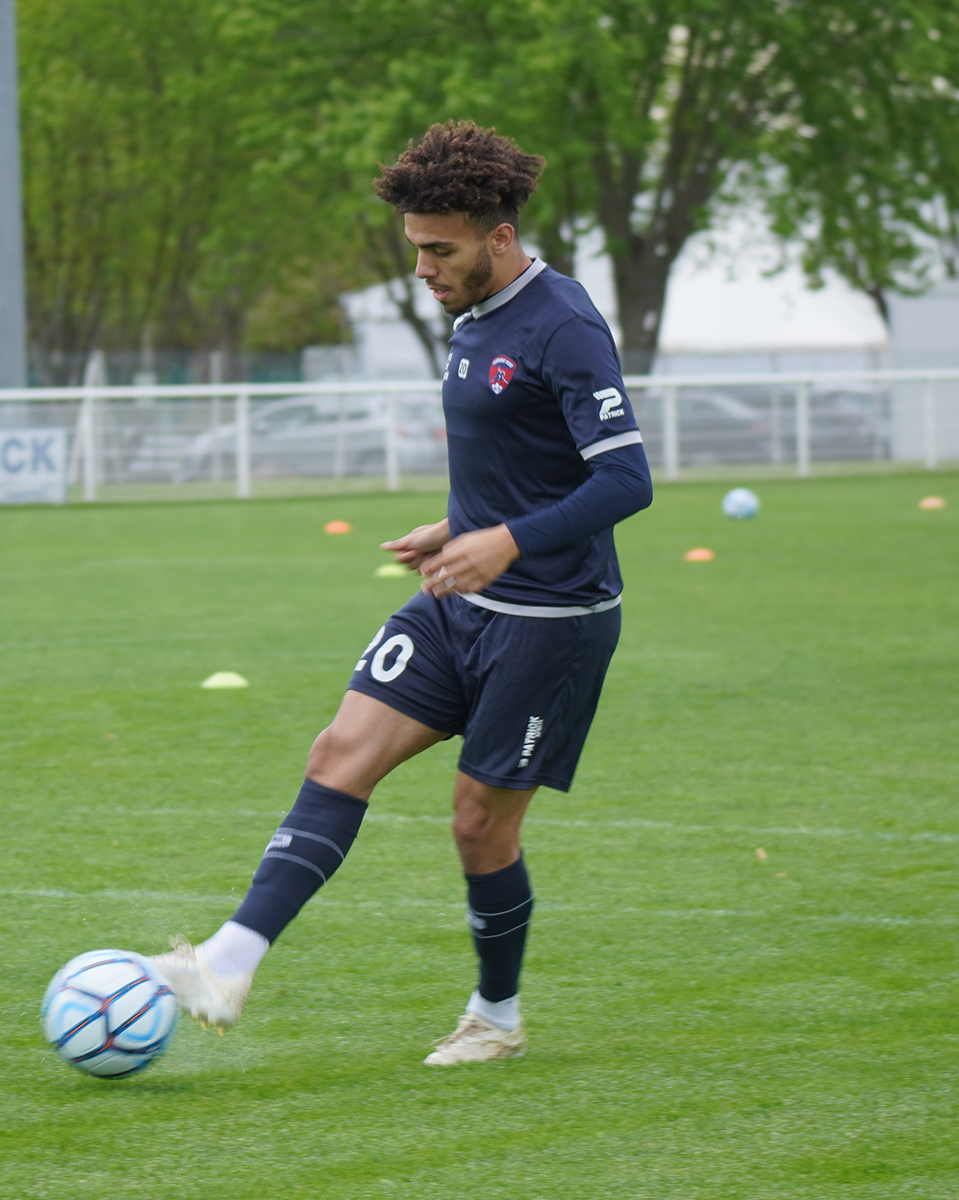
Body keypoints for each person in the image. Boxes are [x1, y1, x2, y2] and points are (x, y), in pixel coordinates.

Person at [153, 121, 653, 1065]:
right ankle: (229, 959)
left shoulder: (567, 322)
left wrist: (504, 540)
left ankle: (495, 1019)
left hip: (550, 624)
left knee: (477, 823)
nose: (424, 268)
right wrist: (458, 527)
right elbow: (520, 462)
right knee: (339, 750)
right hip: (458, 599)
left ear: (499, 237)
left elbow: (626, 483)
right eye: (416, 248)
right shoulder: (474, 318)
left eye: (440, 250)